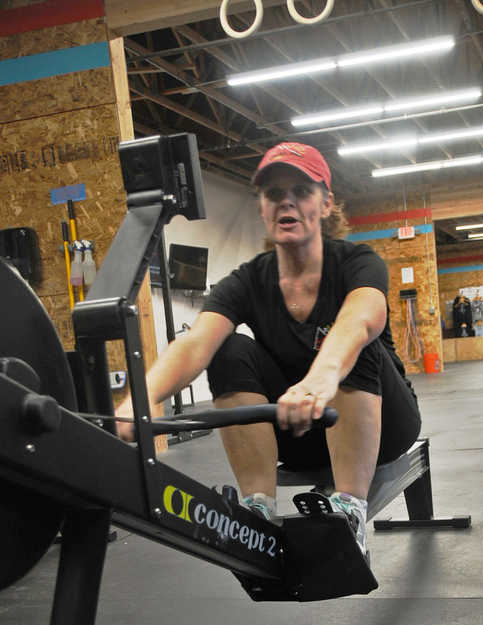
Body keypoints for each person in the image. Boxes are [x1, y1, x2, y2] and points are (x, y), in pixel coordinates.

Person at [116, 142, 421, 553]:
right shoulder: (246, 281)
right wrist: (145, 396)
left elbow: (360, 319)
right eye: (274, 194)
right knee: (229, 348)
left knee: (352, 343)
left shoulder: (357, 262)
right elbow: (195, 343)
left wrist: (320, 378)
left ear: (326, 203)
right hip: (302, 429)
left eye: (301, 191)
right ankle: (257, 508)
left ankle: (349, 506)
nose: (286, 201)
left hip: (385, 425)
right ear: (261, 207)